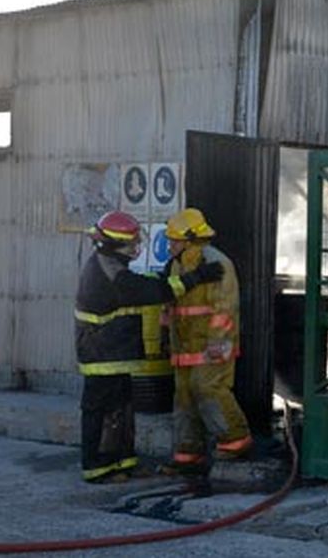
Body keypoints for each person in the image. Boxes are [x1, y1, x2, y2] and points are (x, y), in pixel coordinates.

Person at [75, 210, 224, 483]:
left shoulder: (109, 263)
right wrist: (195, 278)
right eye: (130, 243)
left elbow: (141, 283)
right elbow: (149, 292)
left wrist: (165, 274)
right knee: (102, 411)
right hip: (103, 353)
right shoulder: (112, 272)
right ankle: (96, 468)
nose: (134, 247)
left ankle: (123, 463)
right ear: (114, 244)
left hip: (111, 353)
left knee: (121, 409)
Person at [163, 207, 252, 474]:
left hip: (212, 346)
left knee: (209, 391)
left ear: (190, 240)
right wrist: (164, 337)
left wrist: (219, 343)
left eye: (174, 240)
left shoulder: (216, 264)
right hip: (184, 347)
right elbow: (169, 306)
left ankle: (236, 441)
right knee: (184, 398)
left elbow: (225, 309)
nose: (170, 245)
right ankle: (188, 454)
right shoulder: (176, 264)